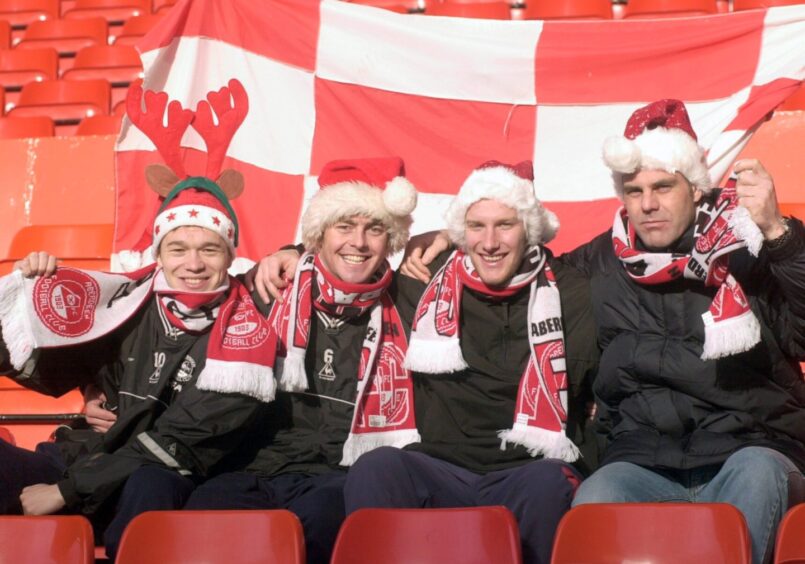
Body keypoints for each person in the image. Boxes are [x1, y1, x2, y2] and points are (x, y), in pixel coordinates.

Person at [401, 100, 805, 564]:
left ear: (696, 190)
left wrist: (779, 232)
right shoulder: (593, 266)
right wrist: (452, 238)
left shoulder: (750, 245)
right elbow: (511, 262)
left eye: (662, 187)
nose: (648, 203)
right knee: (594, 498)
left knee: (756, 476)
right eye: (633, 191)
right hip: (643, 460)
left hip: (752, 447)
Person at [256, 160, 599, 564]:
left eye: (505, 225)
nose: (489, 242)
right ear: (461, 232)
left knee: (547, 484)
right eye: (475, 227)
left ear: (531, 228)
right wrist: (296, 252)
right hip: (439, 466)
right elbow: (351, 271)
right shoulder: (426, 280)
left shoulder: (570, 289)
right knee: (376, 467)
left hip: (527, 470)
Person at [0, 79, 270, 559]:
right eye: (178, 249)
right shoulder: (125, 304)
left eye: (209, 248)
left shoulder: (249, 328)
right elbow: (36, 363)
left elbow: (185, 441)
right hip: (86, 459)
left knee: (150, 487)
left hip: (156, 477)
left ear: (230, 255)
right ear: (159, 255)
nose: (193, 263)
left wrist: (65, 492)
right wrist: (28, 290)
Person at [132, 157, 420, 564]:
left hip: (335, 475)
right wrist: (100, 389)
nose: (358, 242)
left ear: (389, 240)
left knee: (323, 524)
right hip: (249, 468)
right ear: (318, 235)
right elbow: (169, 315)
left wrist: (438, 237)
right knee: (203, 519)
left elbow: (485, 253)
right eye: (343, 226)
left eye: (374, 229)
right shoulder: (266, 289)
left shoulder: (411, 303)